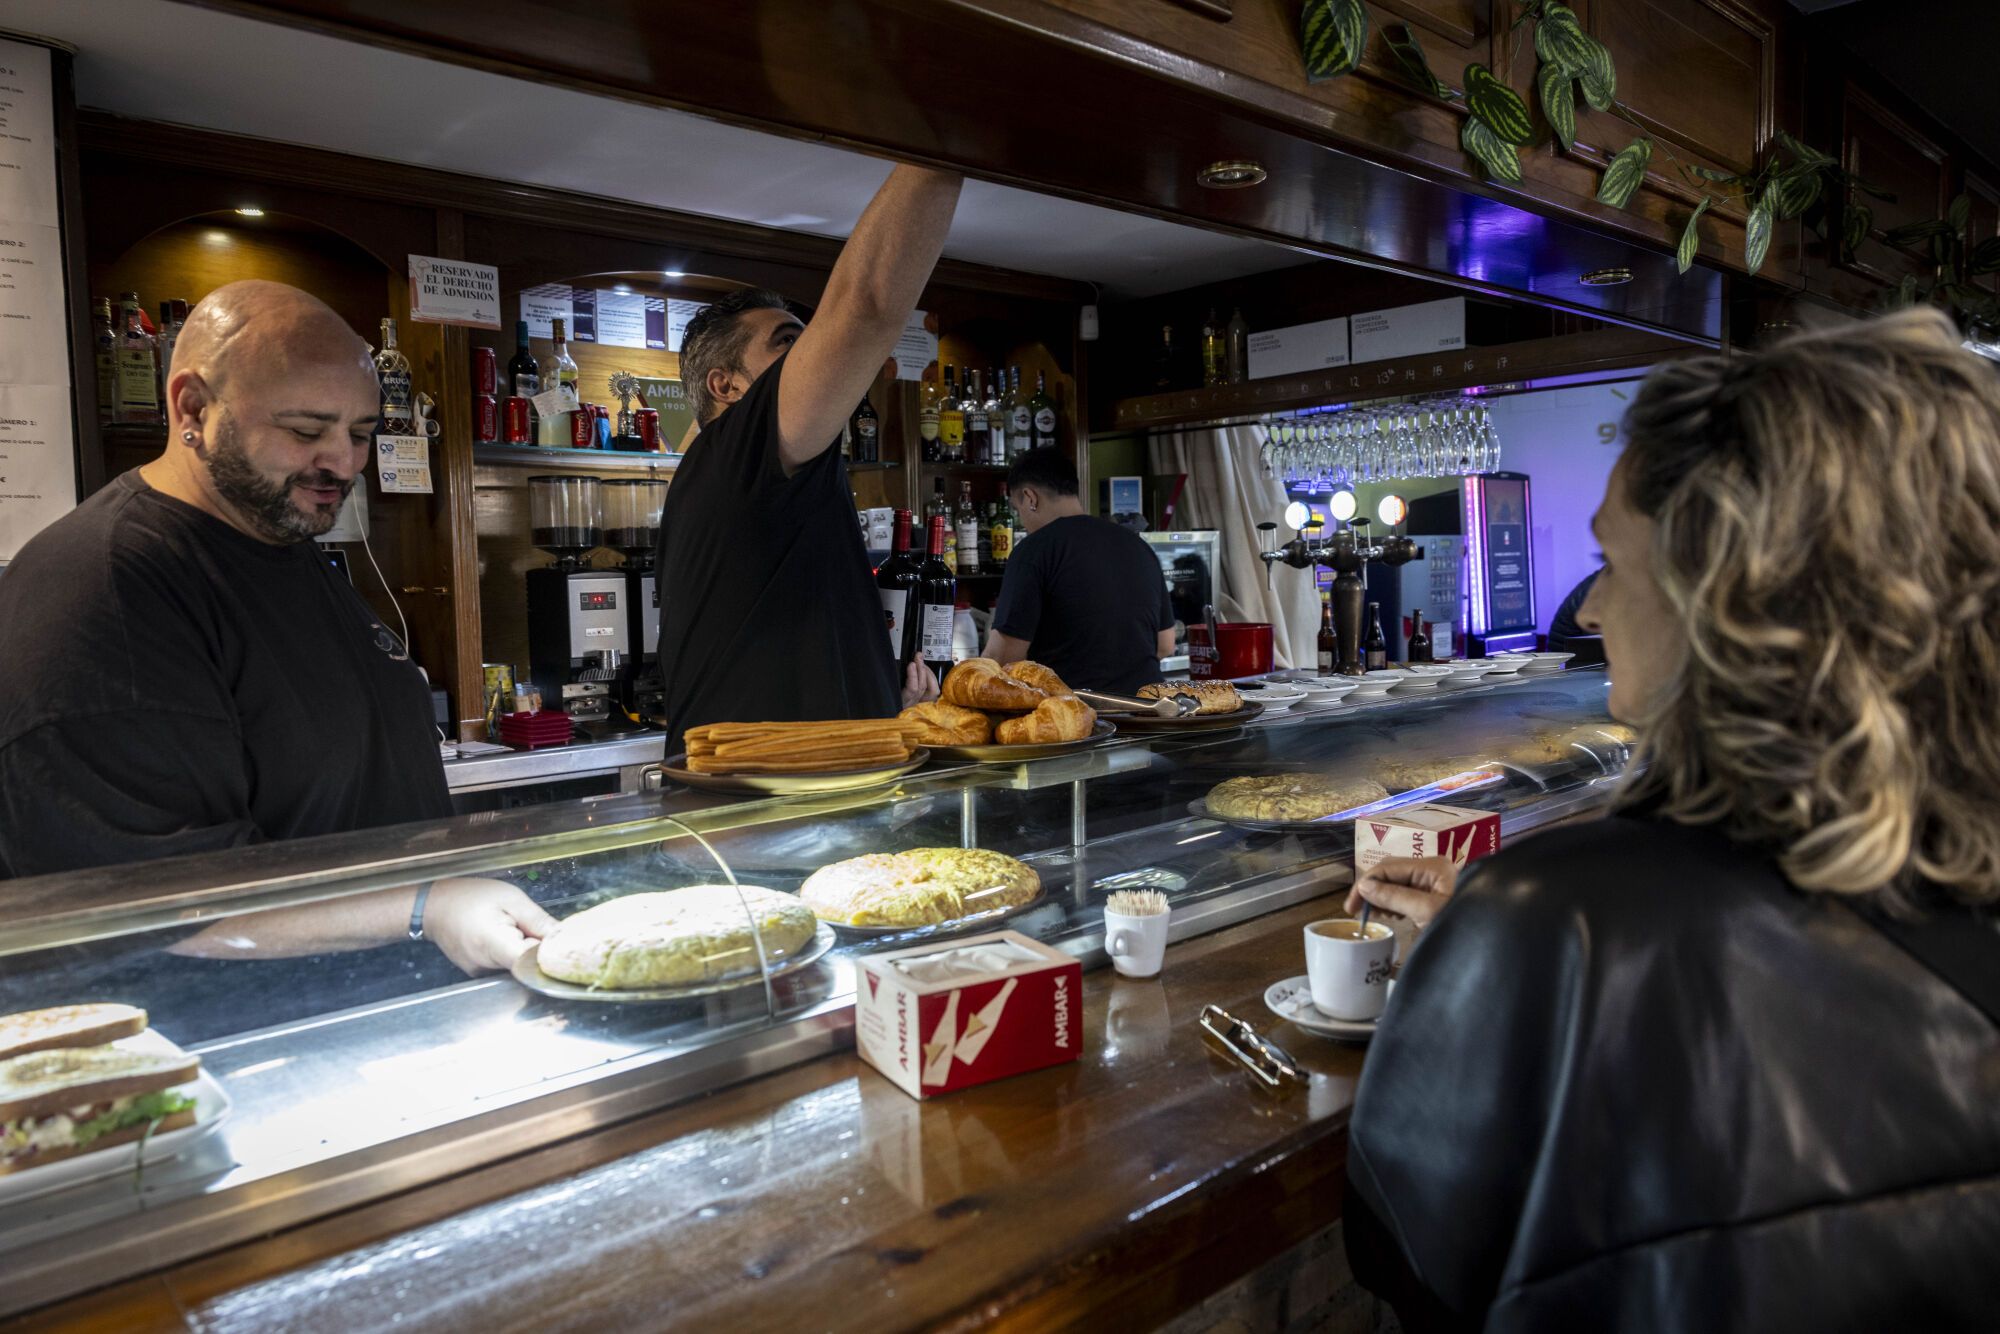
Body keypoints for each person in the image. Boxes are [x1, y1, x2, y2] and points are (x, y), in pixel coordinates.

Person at [1340, 309, 2000, 1331]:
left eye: (1607, 560)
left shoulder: (1554, 921)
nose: (1592, 610)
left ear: (1726, 595)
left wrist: (1498, 967)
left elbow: (1401, 1255)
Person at [0, 281, 552, 1007]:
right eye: (304, 429)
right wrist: (427, 904)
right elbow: (154, 892)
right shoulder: (106, 585)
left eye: (359, 433)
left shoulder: (282, 540)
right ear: (192, 408)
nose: (344, 463)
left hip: (371, 1009)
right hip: (226, 1045)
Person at [655, 164, 962, 747]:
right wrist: (943, 145)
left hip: (795, 810)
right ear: (727, 387)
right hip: (760, 814)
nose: (811, 360)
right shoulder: (736, 453)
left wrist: (878, 701)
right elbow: (867, 305)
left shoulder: (763, 483)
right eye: (790, 347)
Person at [983, 448, 1175, 693]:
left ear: (1030, 498)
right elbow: (1166, 644)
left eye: (1016, 509)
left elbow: (1004, 657)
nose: (1021, 520)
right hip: (1151, 713)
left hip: (1079, 719)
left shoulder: (1034, 550)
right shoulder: (1138, 545)